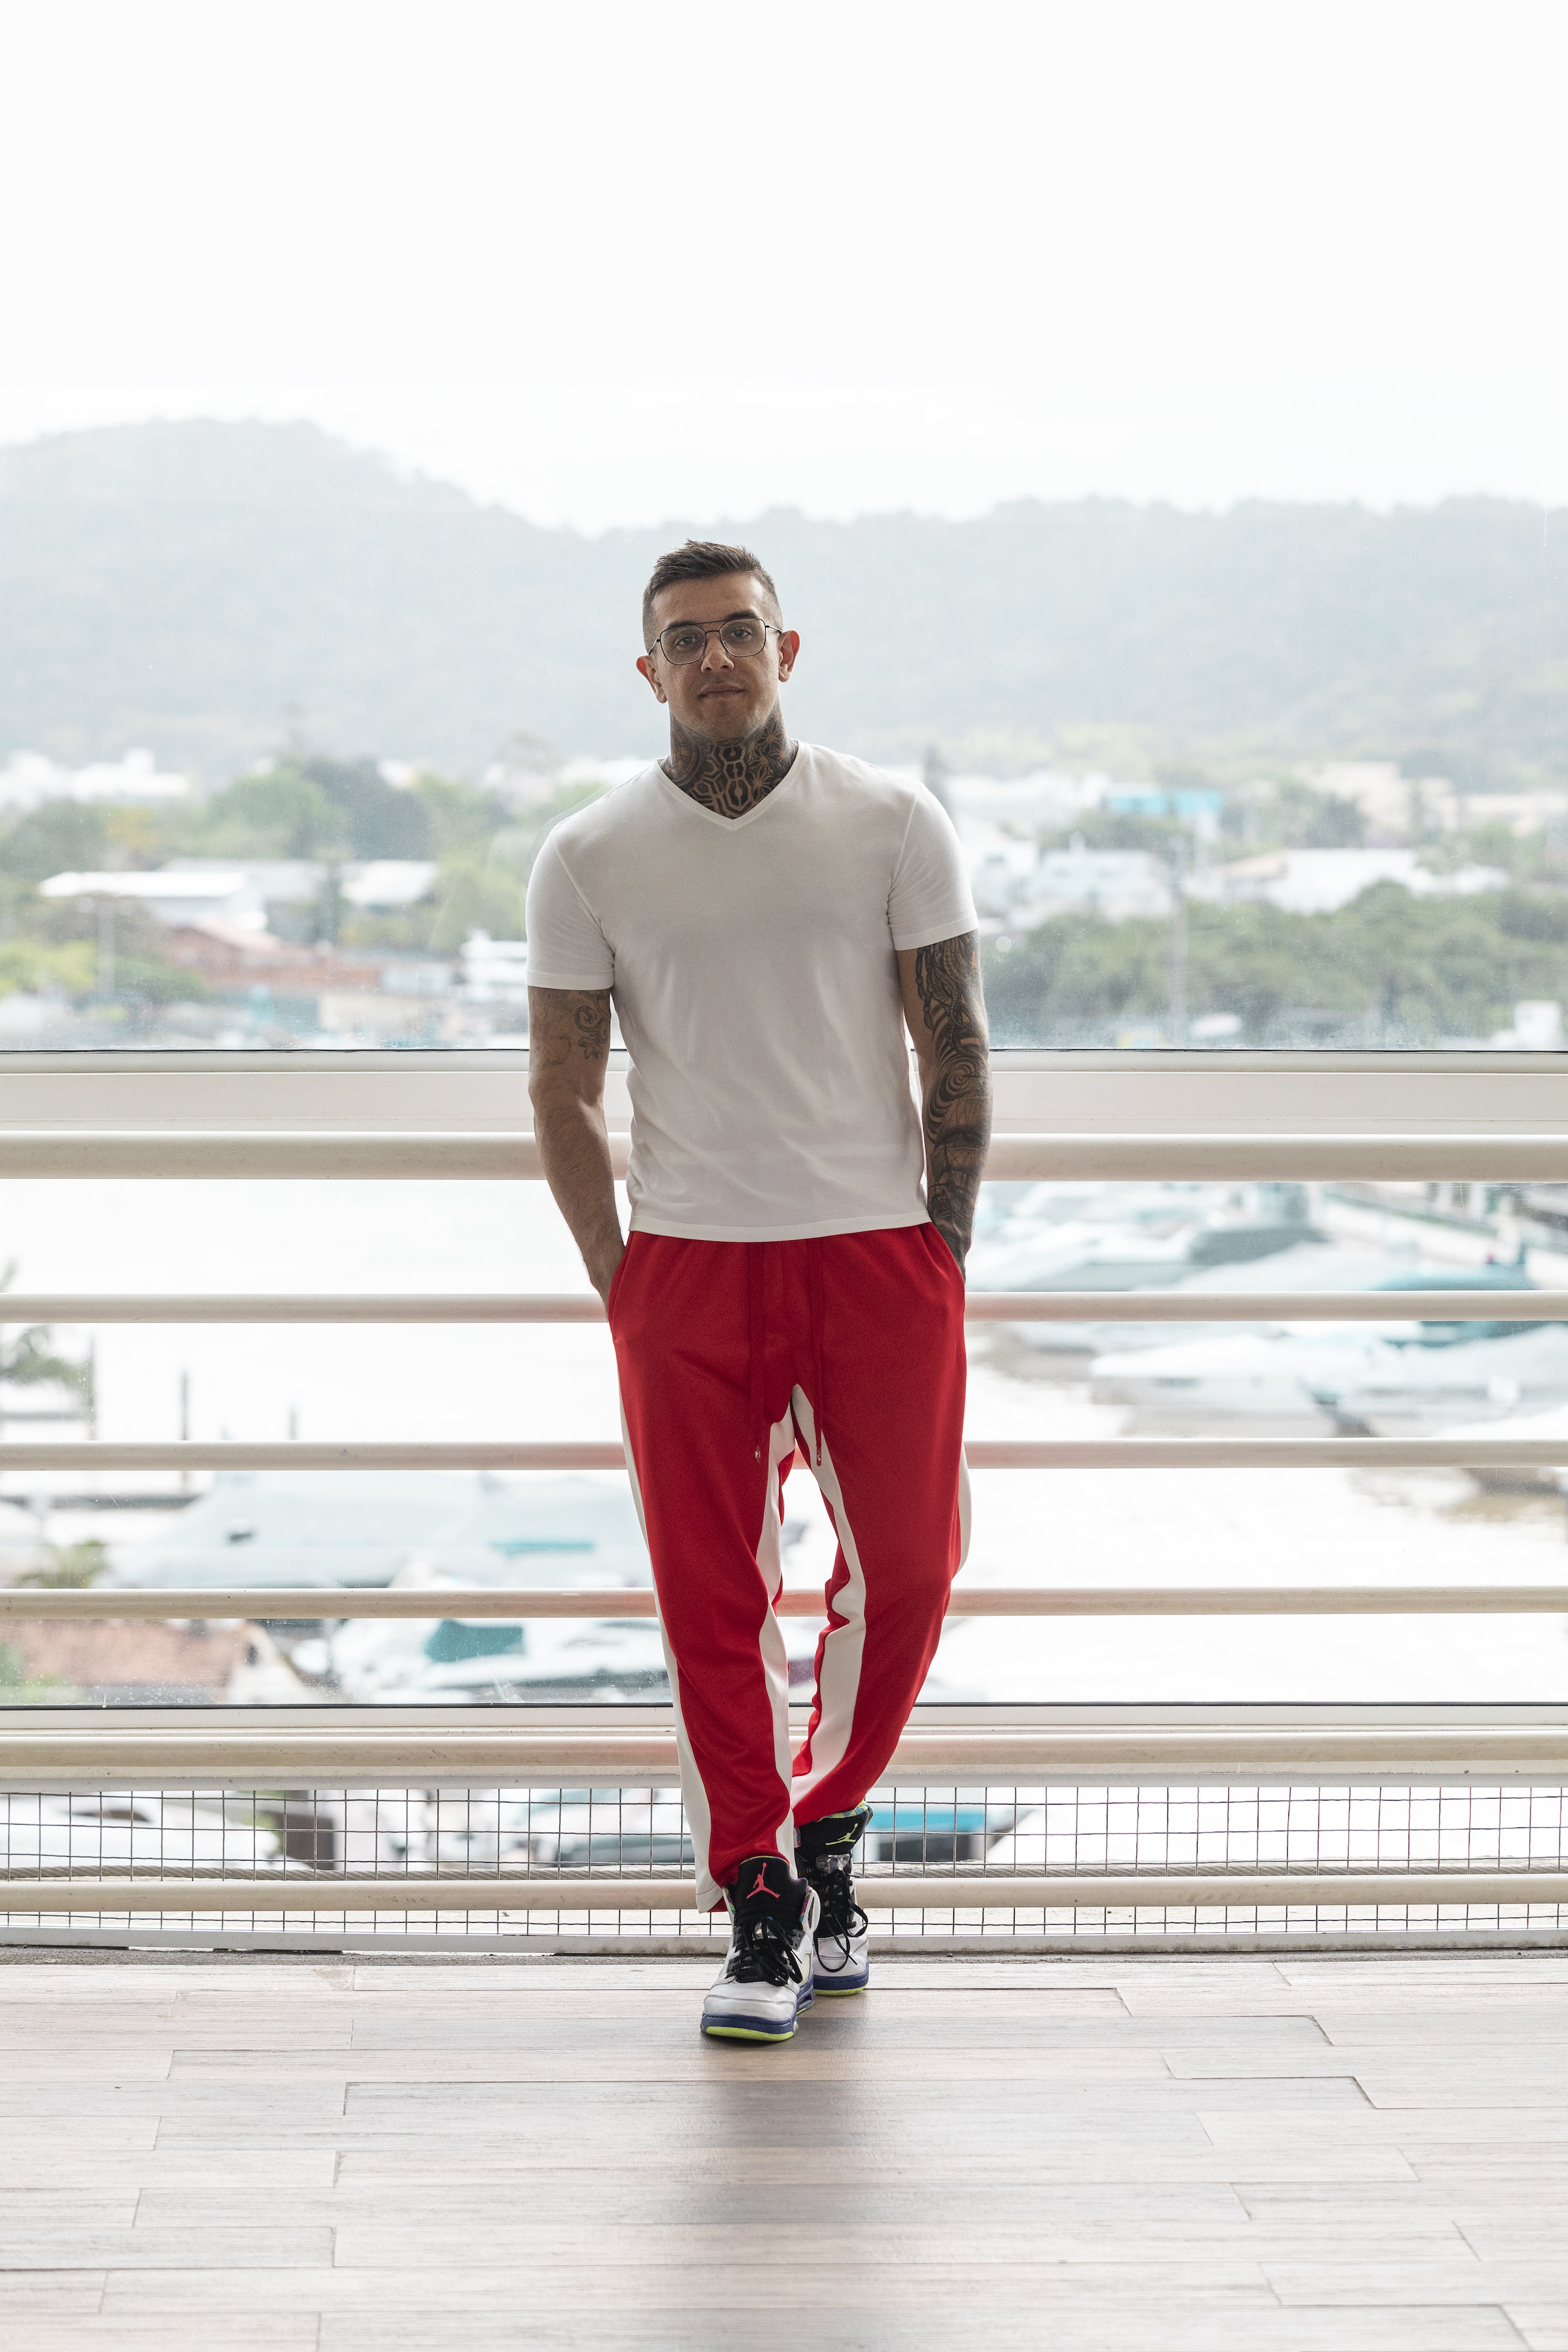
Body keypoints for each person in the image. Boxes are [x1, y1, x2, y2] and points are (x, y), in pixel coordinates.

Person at [526, 540, 990, 2043]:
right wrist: (620, 1272)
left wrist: (944, 1241)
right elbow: (560, 1080)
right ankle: (759, 1900)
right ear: (647, 670)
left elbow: (959, 1045)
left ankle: (831, 1826)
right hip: (688, 1268)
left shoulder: (890, 820)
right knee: (711, 1601)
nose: (718, 656)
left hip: (876, 1255)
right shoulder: (590, 855)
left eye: (742, 631)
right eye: (687, 638)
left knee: (910, 1572)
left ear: (789, 651)